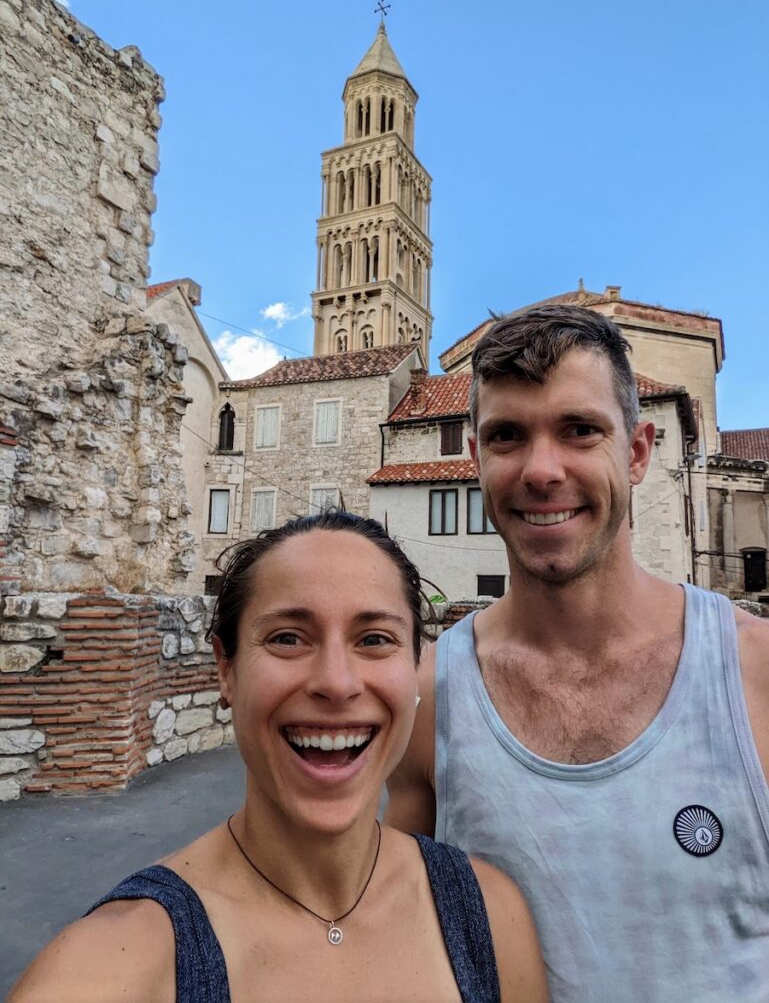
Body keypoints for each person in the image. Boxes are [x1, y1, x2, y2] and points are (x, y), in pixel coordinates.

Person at [387, 305, 769, 1002]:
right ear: (475, 461)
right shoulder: (429, 696)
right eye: (506, 437)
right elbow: (394, 937)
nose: (540, 470)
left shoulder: (755, 672)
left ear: (637, 452)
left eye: (579, 431)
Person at [10, 511, 548, 1003]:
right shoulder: (108, 971)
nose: (336, 683)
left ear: (414, 667)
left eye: (375, 639)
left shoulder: (493, 917)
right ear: (226, 669)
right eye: (288, 638)